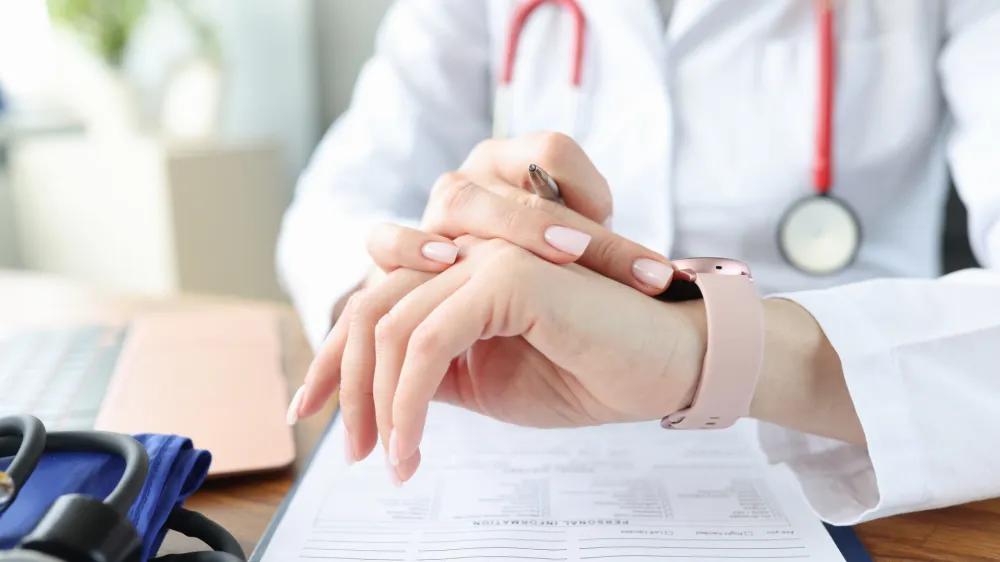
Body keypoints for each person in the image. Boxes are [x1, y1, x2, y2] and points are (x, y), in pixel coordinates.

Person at [276, 0, 1000, 529]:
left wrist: (705, 351)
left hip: (852, 436)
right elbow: (334, 205)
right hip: (510, 423)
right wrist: (420, 273)